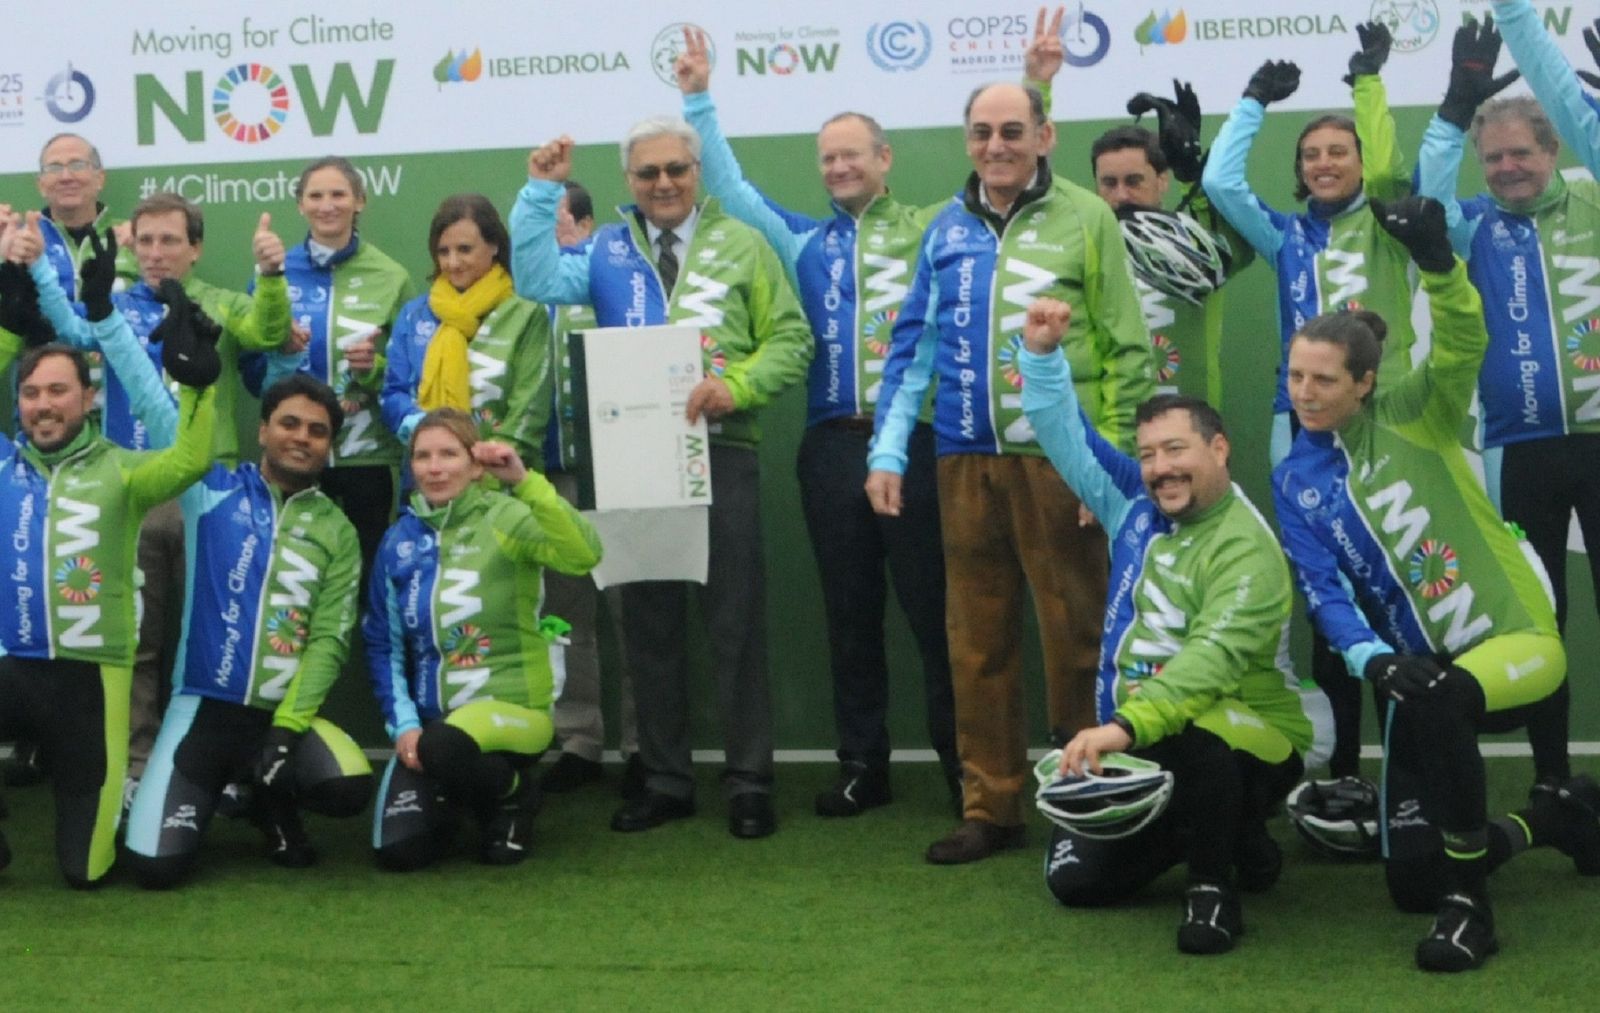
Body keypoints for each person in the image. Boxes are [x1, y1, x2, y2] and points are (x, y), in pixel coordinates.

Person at [672, 19, 1033, 814]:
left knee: (941, 616)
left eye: (851, 154)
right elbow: (730, 190)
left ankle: (964, 770)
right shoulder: (801, 241)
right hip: (829, 449)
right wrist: (699, 98)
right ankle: (863, 767)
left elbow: (1006, 171)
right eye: (827, 158)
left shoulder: (937, 224)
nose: (838, 167)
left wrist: (1040, 83)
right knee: (848, 615)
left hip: (919, 446)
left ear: (884, 159)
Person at [1273, 195, 1598, 972]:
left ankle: (1471, 912)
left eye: (1323, 379)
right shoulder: (1294, 478)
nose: (1305, 393)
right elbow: (1322, 592)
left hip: (1515, 638)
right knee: (1413, 878)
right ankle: (1552, 819)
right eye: (1294, 376)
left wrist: (1441, 267)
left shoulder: (1419, 409)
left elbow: (1463, 339)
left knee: (1445, 707)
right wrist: (1372, 662)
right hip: (1414, 679)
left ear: (1364, 381)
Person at [867, 80, 1152, 863]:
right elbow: (912, 347)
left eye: (1012, 131)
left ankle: (1087, 796)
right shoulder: (943, 228)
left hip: (1065, 462)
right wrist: (889, 450)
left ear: (1044, 135)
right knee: (976, 640)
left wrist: (1114, 473)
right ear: (967, 139)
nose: (997, 145)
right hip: (962, 459)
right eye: (983, 131)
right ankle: (991, 806)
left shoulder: (1087, 218)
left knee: (1079, 636)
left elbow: (1129, 348)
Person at [511, 116, 813, 839]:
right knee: (646, 623)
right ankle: (668, 779)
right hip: (629, 457)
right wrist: (537, 193)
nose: (664, 183)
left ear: (697, 171)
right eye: (648, 174)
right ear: (629, 182)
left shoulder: (742, 242)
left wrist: (735, 385)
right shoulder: (607, 247)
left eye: (676, 169)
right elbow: (536, 276)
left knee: (735, 622)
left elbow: (793, 339)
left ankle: (749, 780)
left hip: (724, 449)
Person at [1021, 297, 1328, 954]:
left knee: (1199, 722)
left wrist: (1118, 727)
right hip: (1140, 735)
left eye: (1176, 449)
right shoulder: (1134, 499)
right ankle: (1230, 833)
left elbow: (1206, 664)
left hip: (1255, 736)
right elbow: (1063, 433)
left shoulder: (1247, 546)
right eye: (1150, 453)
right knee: (1077, 883)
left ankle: (1213, 889)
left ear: (1219, 448)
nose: (1160, 467)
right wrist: (1042, 357)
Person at [1202, 22, 1420, 785]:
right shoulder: (1288, 236)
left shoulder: (1391, 223)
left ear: (1361, 160)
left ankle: (1410, 764)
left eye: (1339, 150)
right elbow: (1225, 187)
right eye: (1312, 155)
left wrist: (1369, 84)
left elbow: (1396, 168)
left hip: (1385, 424)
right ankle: (1339, 771)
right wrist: (1253, 103)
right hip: (1295, 426)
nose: (1325, 163)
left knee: (1395, 586)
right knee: (1325, 582)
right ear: (1300, 172)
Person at [91, 305, 372, 886]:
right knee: (154, 868)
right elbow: (155, 406)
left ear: (329, 447)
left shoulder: (337, 529)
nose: (302, 439)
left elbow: (328, 641)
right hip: (200, 714)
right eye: (290, 424)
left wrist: (288, 728)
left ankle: (271, 799)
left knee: (347, 786)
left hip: (278, 719)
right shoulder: (212, 491)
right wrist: (105, 320)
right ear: (263, 430)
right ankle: (238, 794)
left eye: (318, 432)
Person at [23, 193, 292, 799]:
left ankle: (210, 772)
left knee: (211, 639)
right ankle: (136, 768)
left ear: (195, 249)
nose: (156, 253)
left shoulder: (219, 304)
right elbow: (68, 327)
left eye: (170, 240)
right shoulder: (110, 308)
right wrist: (40, 264)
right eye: (144, 241)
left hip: (207, 494)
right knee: (137, 643)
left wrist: (272, 276)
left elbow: (268, 330)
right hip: (132, 496)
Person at [0, 283, 216, 887]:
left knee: (86, 871)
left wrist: (200, 385)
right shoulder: (3, 468)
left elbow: (191, 461)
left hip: (91, 680)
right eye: (31, 392)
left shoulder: (123, 470)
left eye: (58, 391)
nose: (43, 404)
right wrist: (6, 336)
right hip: (14, 667)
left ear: (89, 398)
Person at [1417, 15, 1581, 792]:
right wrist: (1454, 115)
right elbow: (1424, 196)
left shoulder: (1590, 202)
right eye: (1496, 157)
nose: (1510, 166)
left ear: (1553, 153)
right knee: (1543, 622)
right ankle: (1554, 779)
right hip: (1518, 450)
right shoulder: (1469, 221)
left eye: (1523, 152)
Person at [365, 409, 602, 870]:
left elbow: (584, 554)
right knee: (399, 853)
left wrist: (524, 481)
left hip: (517, 713)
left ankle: (515, 797)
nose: (434, 468)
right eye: (422, 456)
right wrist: (405, 726)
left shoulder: (507, 516)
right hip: (433, 729)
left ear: (475, 466)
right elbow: (382, 645)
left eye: (449, 454)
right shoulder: (398, 541)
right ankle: (466, 796)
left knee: (443, 747)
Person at [255, 156, 416, 574]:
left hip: (366, 459)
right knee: (293, 575)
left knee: (367, 578)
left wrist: (373, 368)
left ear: (360, 201)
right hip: (295, 456)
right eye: (316, 195)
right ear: (300, 205)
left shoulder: (391, 276)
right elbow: (251, 371)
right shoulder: (274, 273)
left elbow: (410, 375)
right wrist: (280, 352)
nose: (328, 205)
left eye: (338, 194)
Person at [537, 180, 642, 798]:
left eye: (552, 223)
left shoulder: (610, 277)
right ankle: (578, 738)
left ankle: (641, 744)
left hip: (625, 468)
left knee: (635, 613)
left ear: (582, 221)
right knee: (564, 614)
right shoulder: (523, 289)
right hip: (553, 476)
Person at [1092, 80, 1252, 404]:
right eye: (1109, 183)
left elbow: (1237, 249)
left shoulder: (1195, 246)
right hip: (1114, 430)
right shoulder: (1085, 249)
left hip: (1193, 431)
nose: (1121, 194)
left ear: (1162, 181)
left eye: (1134, 181)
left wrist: (1191, 176)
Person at [31, 132, 138, 304]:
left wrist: (141, 247)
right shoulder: (22, 243)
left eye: (77, 165)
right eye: (55, 168)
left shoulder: (133, 238)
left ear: (100, 179)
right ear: (41, 185)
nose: (66, 177)